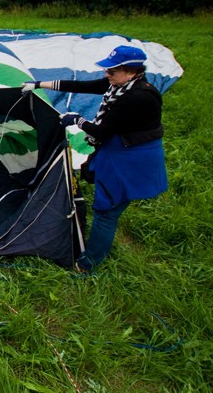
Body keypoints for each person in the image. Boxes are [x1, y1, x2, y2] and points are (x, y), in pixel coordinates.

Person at [22, 45, 168, 272]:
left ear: (131, 72)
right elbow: (80, 86)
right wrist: (39, 84)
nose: (106, 75)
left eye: (111, 71)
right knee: (104, 196)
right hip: (117, 148)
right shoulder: (118, 87)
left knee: (106, 211)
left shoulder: (137, 98)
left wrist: (76, 119)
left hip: (131, 158)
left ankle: (87, 264)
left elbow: (100, 131)